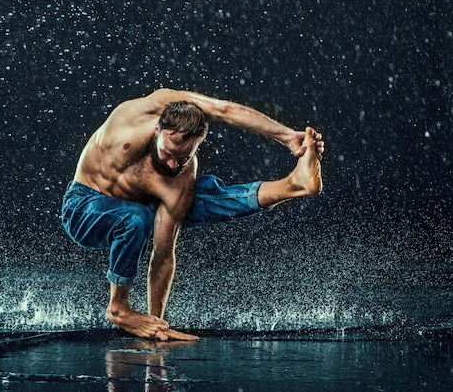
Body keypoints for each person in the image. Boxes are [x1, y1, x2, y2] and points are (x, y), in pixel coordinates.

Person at [61, 88, 324, 341]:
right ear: (157, 130)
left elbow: (163, 254)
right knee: (136, 217)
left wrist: (156, 324)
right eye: (168, 153)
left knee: (201, 196)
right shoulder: (141, 114)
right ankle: (118, 308)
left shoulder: (181, 178)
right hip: (84, 208)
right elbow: (222, 108)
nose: (173, 164)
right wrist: (286, 136)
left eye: (183, 158)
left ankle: (293, 185)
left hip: (138, 212)